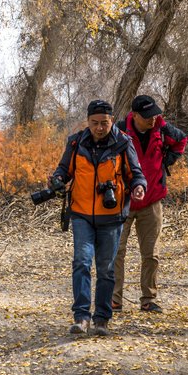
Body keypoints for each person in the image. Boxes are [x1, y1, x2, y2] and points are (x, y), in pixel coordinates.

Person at [52, 100, 147, 336]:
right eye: (94, 123)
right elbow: (63, 170)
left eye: (104, 123)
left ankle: (102, 318)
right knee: (81, 263)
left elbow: (136, 174)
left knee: (105, 269)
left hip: (112, 217)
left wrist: (139, 187)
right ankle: (81, 317)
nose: (99, 128)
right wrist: (56, 180)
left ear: (111, 120)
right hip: (81, 214)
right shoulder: (76, 142)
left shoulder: (124, 142)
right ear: (88, 121)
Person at [112, 95, 188, 314]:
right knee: (117, 252)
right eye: (147, 116)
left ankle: (149, 299)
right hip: (122, 201)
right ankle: (114, 300)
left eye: (155, 114)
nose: (152, 119)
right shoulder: (118, 131)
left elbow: (182, 140)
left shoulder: (163, 129)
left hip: (152, 201)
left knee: (151, 254)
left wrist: (166, 161)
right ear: (134, 115)